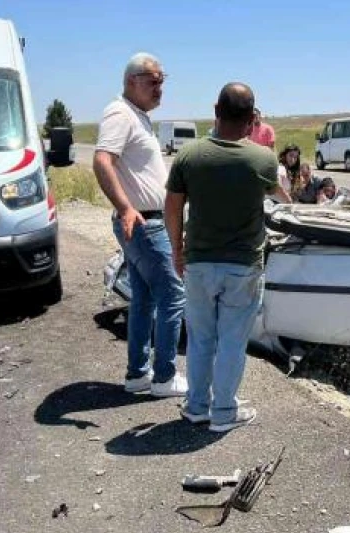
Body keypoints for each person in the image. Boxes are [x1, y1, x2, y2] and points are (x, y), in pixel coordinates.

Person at [165, 82, 284, 432]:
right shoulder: (262, 159)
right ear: (251, 118)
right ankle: (223, 412)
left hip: (198, 263)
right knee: (232, 340)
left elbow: (172, 207)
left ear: (216, 109)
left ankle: (197, 406)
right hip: (243, 266)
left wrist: (176, 249)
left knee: (201, 337)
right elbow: (284, 200)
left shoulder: (189, 156)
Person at [92, 53, 187, 397]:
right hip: (145, 223)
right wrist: (125, 207)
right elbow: (103, 160)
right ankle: (164, 377)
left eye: (163, 80)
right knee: (174, 297)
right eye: (153, 81)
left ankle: (138, 375)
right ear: (132, 80)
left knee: (144, 299)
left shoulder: (138, 115)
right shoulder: (120, 113)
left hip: (144, 221)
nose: (160, 88)